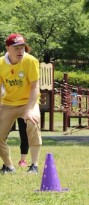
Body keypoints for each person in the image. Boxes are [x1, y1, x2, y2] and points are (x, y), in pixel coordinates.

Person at [0, 33, 42, 174]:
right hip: (8, 103)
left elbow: (34, 86)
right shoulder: (0, 64)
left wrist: (30, 110)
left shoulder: (31, 61)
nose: (20, 51)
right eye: (16, 48)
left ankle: (34, 165)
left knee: (32, 123)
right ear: (8, 48)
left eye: (22, 48)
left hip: (28, 101)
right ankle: (9, 166)